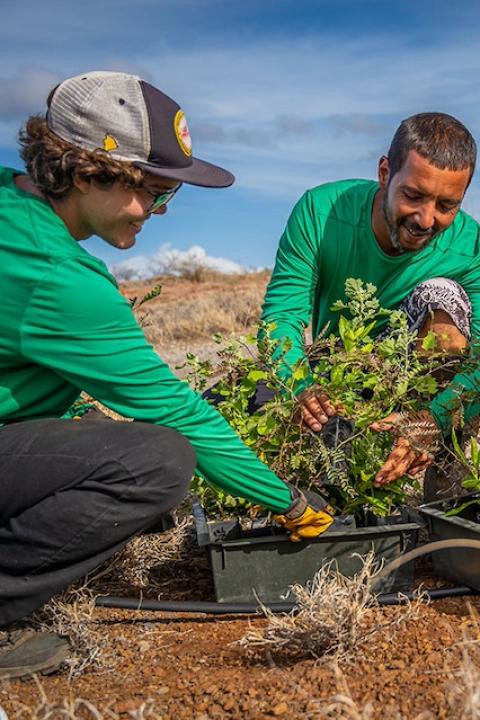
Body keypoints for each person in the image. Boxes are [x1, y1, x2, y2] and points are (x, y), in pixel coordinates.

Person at [0, 71, 333, 679]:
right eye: (149, 189)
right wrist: (289, 502)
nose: (156, 211)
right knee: (157, 461)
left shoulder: (11, 207)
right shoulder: (58, 277)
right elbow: (177, 412)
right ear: (82, 171)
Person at [260, 112, 480, 483]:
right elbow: (282, 316)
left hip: (418, 391)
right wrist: (301, 389)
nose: (426, 220)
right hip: (334, 377)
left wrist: (435, 418)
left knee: (442, 295)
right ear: (384, 174)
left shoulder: (470, 245)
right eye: (413, 196)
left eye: (446, 206)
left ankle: (441, 468)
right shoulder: (321, 211)